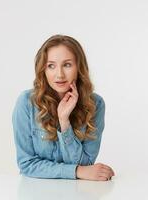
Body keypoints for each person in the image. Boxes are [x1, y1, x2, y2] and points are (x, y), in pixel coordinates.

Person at [12, 34, 115, 181]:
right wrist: (76, 171)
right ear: (43, 70)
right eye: (51, 66)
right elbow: (27, 164)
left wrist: (64, 122)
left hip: (78, 193)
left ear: (79, 68)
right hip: (36, 192)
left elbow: (86, 164)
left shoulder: (96, 104)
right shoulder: (27, 103)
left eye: (67, 64)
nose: (59, 74)